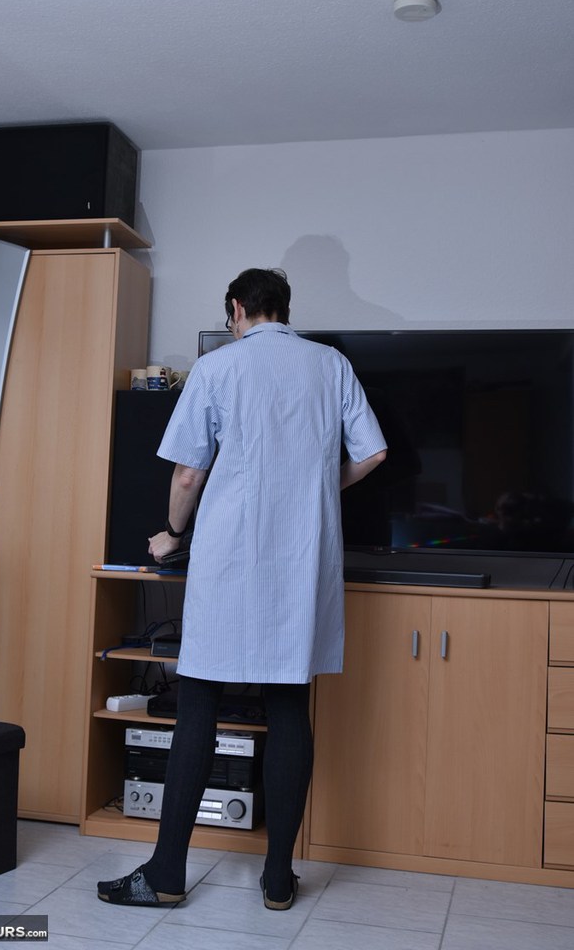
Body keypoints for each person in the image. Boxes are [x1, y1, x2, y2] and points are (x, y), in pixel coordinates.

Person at [98, 268, 387, 910]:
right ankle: (278, 879)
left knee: (199, 700)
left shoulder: (218, 367)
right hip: (302, 561)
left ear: (236, 309)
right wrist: (317, 486)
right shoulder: (330, 364)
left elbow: (187, 474)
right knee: (288, 705)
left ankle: (166, 875)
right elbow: (373, 453)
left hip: (230, 558)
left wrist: (172, 535)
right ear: (284, 308)